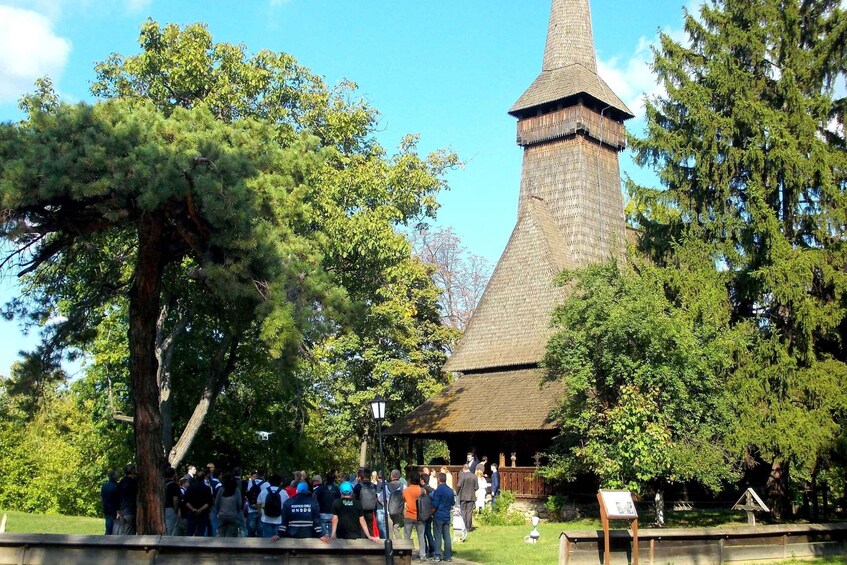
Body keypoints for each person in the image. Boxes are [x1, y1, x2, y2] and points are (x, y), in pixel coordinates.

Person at [402, 471, 426, 561]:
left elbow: (403, 499)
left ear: (410, 479)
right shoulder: (422, 490)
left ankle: (406, 554)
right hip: (420, 515)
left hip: (409, 515)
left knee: (407, 536)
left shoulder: (406, 490)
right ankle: (422, 555)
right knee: (421, 536)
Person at [430, 472, 454, 562]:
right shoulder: (450, 490)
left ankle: (437, 555)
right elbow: (452, 503)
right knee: (447, 536)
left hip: (438, 515)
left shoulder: (438, 490)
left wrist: (430, 513)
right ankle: (447, 556)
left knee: (437, 536)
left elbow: (434, 505)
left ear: (439, 480)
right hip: (447, 515)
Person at [257, 474, 288, 538]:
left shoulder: (264, 491)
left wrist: (260, 513)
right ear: (280, 482)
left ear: (269, 482)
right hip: (279, 520)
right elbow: (287, 506)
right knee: (278, 541)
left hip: (266, 519)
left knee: (267, 541)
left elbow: (258, 503)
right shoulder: (283, 492)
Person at [184, 470, 213, 536]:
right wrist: (200, 510)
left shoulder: (190, 488)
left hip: (191, 512)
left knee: (189, 532)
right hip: (203, 513)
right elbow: (209, 502)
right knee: (201, 532)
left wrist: (193, 509)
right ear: (203, 478)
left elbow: (186, 501)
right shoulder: (207, 488)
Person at [353, 467, 379, 537]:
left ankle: (362, 544)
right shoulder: (374, 486)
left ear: (362, 475)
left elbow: (353, 499)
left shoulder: (358, 487)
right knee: (370, 528)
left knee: (361, 529)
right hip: (371, 511)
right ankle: (371, 543)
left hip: (360, 511)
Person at [313, 471, 340, 537]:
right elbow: (339, 501)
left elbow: (315, 500)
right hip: (333, 514)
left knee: (323, 536)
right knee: (332, 536)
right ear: (334, 479)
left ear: (326, 478)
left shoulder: (320, 489)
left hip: (322, 513)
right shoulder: (337, 489)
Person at [244, 469, 269, 537]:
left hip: (251, 509)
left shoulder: (251, 482)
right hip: (262, 510)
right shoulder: (267, 484)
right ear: (263, 475)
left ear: (257, 474)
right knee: (260, 532)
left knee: (250, 532)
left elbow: (248, 493)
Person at [116, 464, 138, 535]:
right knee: (129, 534)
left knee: (123, 532)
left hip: (122, 511)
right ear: (133, 471)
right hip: (130, 511)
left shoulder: (121, 482)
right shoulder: (133, 483)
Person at [385, 469, 405, 538]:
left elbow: (380, 498)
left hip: (388, 511)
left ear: (391, 476)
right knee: (397, 529)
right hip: (399, 511)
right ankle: (399, 547)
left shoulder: (386, 486)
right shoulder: (403, 486)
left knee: (389, 530)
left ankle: (390, 547)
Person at [457, 464, 476, 533]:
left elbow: (458, 485)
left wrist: (457, 492)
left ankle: (464, 526)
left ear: (464, 469)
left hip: (463, 496)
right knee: (469, 512)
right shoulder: (474, 476)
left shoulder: (462, 476)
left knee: (463, 511)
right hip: (471, 496)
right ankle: (469, 527)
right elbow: (476, 487)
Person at [100, 470, 119, 535]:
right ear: (114, 477)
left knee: (108, 526)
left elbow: (101, 498)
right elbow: (118, 499)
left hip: (106, 508)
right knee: (114, 528)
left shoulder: (104, 486)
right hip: (114, 509)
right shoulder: (117, 486)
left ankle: (106, 540)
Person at [164, 467, 181, 535]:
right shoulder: (174, 485)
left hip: (162, 508)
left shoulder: (161, 484)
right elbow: (175, 499)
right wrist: (175, 510)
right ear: (174, 475)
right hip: (170, 508)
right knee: (172, 528)